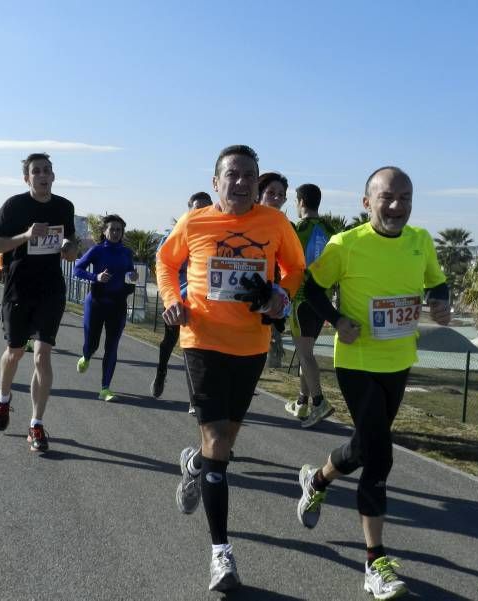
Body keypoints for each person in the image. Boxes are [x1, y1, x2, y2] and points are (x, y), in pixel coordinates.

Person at [295, 166, 450, 600]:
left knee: (364, 448)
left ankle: (318, 480)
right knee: (380, 458)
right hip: (358, 361)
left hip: (399, 361)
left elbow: (438, 282)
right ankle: (375, 563)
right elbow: (311, 287)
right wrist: (337, 319)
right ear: (367, 203)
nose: (397, 206)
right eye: (387, 197)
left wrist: (440, 304)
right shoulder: (346, 245)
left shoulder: (421, 241)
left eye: (406, 197)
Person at [157, 145, 305, 592]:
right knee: (219, 442)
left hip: (252, 344)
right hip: (201, 340)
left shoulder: (275, 223)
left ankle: (194, 465)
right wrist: (172, 302)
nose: (241, 182)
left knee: (223, 444)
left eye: (249, 176)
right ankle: (221, 553)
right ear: (216, 180)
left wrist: (281, 296)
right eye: (232, 174)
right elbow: (166, 261)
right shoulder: (196, 221)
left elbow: (295, 268)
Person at [0, 153, 77, 453]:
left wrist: (69, 249)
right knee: (14, 353)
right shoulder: (14, 206)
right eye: (36, 171)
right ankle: (3, 399)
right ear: (27, 178)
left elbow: (71, 245)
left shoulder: (64, 207)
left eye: (47, 170)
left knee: (42, 356)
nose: (42, 175)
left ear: (53, 176)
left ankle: (36, 424)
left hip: (51, 289)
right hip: (19, 289)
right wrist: (25, 236)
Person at [150, 191, 213, 401]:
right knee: (169, 343)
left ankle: (195, 399)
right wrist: (172, 296)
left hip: (202, 303)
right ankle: (161, 373)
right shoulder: (176, 234)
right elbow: (162, 265)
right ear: (189, 209)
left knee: (195, 350)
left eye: (207, 208)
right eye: (198, 208)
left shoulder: (216, 235)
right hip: (177, 300)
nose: (202, 212)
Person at [285, 183, 337, 427]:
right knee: (307, 353)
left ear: (301, 202)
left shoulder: (299, 229)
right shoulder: (330, 229)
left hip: (302, 299)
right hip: (322, 300)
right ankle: (302, 401)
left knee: (305, 354)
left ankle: (318, 402)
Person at [73, 214, 137, 401]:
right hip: (96, 303)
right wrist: (96, 277)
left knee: (112, 346)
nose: (116, 233)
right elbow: (78, 268)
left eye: (119, 230)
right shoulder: (97, 251)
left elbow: (129, 272)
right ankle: (86, 355)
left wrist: (132, 276)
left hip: (118, 304)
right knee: (92, 344)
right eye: (112, 229)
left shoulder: (126, 253)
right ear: (104, 231)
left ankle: (105, 389)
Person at [257, 172, 290, 367]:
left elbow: (294, 266)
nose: (277, 198)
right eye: (271, 193)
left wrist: (282, 292)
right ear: (259, 194)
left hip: (272, 297)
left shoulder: (287, 226)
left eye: (281, 194)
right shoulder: (246, 222)